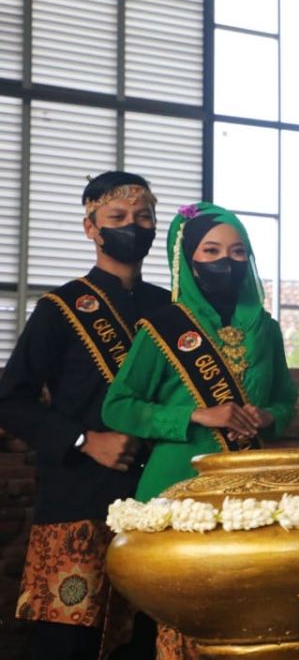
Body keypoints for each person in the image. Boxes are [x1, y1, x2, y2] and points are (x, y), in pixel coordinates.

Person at [0, 172, 167, 660]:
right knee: (69, 641)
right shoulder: (60, 308)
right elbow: (11, 400)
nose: (132, 227)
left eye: (143, 217)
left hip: (157, 500)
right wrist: (84, 440)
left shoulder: (172, 308)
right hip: (78, 498)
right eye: (117, 218)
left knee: (148, 641)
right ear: (91, 227)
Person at [103, 202, 297, 503]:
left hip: (249, 480)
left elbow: (285, 400)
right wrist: (197, 415)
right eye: (211, 251)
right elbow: (117, 407)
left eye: (237, 252)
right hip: (177, 480)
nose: (226, 261)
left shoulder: (265, 329)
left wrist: (268, 416)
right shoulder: (163, 328)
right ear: (189, 260)